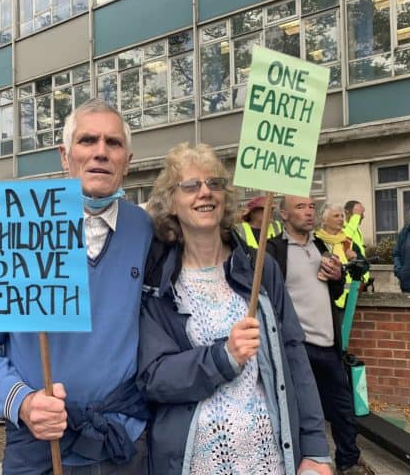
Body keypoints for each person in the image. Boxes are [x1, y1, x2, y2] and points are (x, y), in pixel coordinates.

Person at [0, 98, 152, 474]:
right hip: (38, 443)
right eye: (87, 140)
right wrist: (24, 403)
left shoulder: (144, 228)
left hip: (121, 438)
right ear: (65, 155)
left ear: (127, 160)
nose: (100, 152)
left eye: (113, 143)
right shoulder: (17, 226)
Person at [139, 143, 332, 475]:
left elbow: (294, 356)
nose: (205, 192)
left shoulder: (261, 269)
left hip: (267, 459)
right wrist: (222, 357)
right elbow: (154, 378)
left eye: (214, 184)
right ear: (172, 202)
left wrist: (315, 449)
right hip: (194, 463)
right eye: (191, 185)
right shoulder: (158, 283)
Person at [266, 196, 376, 475]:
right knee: (302, 412)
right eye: (300, 207)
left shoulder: (320, 247)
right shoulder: (274, 251)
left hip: (328, 343)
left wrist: (338, 276)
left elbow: (334, 292)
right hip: (297, 346)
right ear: (283, 214)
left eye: (312, 207)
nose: (308, 212)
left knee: (343, 407)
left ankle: (349, 461)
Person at [315, 204, 367, 308]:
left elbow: (365, 267)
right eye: (336, 216)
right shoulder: (315, 242)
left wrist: (355, 258)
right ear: (324, 220)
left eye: (342, 216)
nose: (341, 219)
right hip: (320, 301)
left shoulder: (348, 243)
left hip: (346, 302)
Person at [342, 200, 372, 290]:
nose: (361, 216)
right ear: (347, 212)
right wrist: (356, 217)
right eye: (358, 213)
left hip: (360, 281)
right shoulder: (342, 228)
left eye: (361, 214)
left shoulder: (356, 230)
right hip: (350, 285)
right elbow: (345, 239)